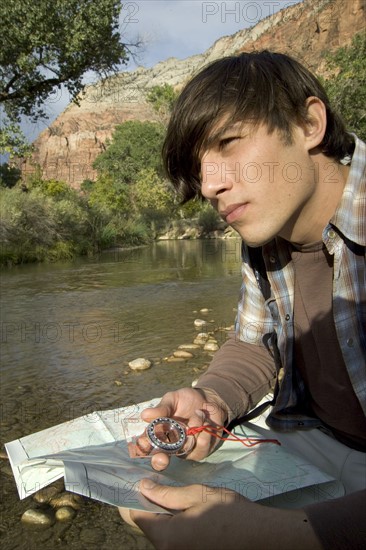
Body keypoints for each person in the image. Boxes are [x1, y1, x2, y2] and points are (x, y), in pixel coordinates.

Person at [119, 51, 366, 549]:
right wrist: (209, 398)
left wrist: (277, 536)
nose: (211, 186)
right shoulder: (263, 238)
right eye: (199, 168)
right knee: (140, 498)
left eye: (228, 144)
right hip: (311, 436)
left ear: (309, 123)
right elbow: (254, 344)